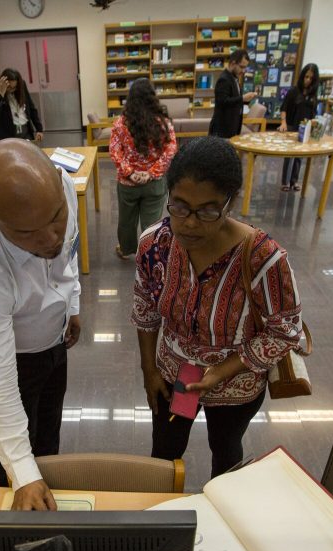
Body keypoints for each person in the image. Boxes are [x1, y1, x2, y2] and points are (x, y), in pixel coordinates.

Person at [132, 136, 303, 478]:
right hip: (178, 376)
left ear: (230, 202)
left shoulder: (263, 258)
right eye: (179, 206)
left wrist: (222, 372)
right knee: (166, 450)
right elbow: (145, 310)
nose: (190, 223)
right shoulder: (156, 244)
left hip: (236, 386)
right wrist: (149, 370)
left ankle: (222, 516)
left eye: (208, 210)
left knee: (225, 452)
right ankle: (162, 518)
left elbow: (285, 331)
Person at [0, 139, 82, 511]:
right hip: (14, 357)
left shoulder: (61, 188)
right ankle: (18, 501)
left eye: (55, 217)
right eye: (27, 234)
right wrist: (23, 474)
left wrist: (71, 302)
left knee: (48, 431)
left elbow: (67, 250)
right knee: (15, 448)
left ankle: (46, 482)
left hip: (54, 338)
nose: (49, 237)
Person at [109, 78, 177, 260]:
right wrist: (151, 173)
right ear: (152, 98)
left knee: (126, 221)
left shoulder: (120, 124)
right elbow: (170, 150)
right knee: (152, 222)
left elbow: (115, 152)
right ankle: (150, 254)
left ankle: (126, 249)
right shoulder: (162, 123)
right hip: (154, 184)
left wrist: (130, 172)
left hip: (127, 184)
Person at [277, 63, 320, 192]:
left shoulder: (313, 95)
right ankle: (285, 181)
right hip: (292, 125)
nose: (308, 80)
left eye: (311, 78)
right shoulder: (294, 91)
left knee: (299, 156)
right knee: (289, 155)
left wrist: (313, 125)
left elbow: (313, 113)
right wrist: (283, 123)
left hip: (304, 128)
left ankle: (294, 181)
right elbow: (283, 108)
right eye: (306, 77)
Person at [0, 68, 44, 143]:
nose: (12, 90)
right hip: (7, 135)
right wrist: (1, 94)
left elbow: (31, 107)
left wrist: (39, 129)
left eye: (14, 88)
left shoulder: (21, 85)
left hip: (25, 132)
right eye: (9, 88)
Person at [208, 49, 255, 139]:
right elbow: (223, 102)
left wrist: (245, 100)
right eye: (241, 67)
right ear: (233, 64)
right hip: (223, 130)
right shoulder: (224, 79)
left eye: (245, 67)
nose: (244, 70)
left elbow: (233, 99)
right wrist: (242, 98)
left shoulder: (234, 78)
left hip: (232, 127)